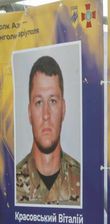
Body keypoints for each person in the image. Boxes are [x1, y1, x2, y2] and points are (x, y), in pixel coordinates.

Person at [16, 56, 80, 205]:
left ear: (63, 109)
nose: (46, 114)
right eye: (39, 102)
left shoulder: (84, 182)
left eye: (52, 101)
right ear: (29, 112)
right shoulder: (9, 184)